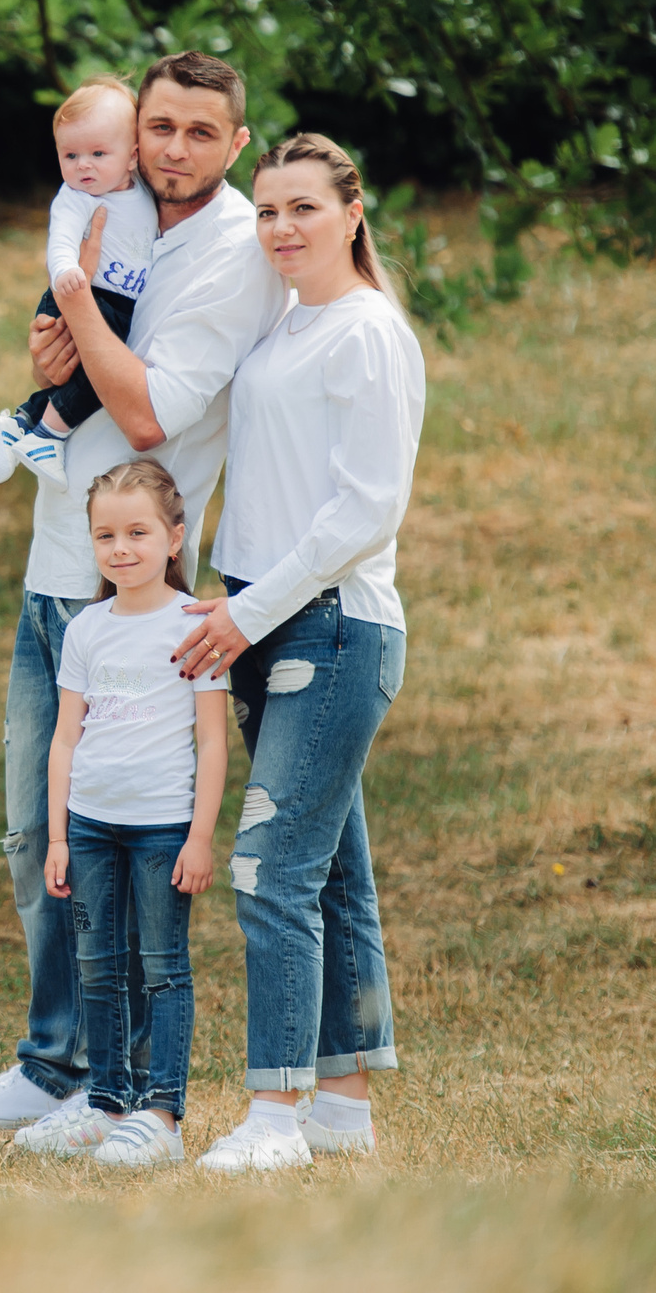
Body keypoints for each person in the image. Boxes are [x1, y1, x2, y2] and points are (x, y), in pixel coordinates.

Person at [0, 53, 286, 1133]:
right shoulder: (111, 202)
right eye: (158, 126)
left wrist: (75, 314)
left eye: (196, 132)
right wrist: (50, 363)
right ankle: (51, 1064)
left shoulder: (235, 253)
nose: (171, 148)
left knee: (123, 843)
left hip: (140, 593)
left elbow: (144, 414)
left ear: (233, 145)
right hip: (56, 569)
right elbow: (78, 371)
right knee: (32, 829)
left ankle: (116, 1082)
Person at [172, 133, 426, 1173]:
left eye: (302, 209)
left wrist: (249, 611)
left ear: (351, 213)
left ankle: (273, 1116)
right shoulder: (284, 329)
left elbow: (366, 511)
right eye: (267, 210)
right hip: (259, 619)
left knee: (269, 870)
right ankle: (342, 1105)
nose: (280, 228)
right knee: (328, 881)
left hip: (327, 628)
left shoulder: (366, 333)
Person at [13, 461, 228, 1167]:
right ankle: (106, 1105)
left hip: (164, 830)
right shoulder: (87, 630)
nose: (121, 548)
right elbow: (64, 738)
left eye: (137, 532)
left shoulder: (195, 624)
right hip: (92, 829)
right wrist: (57, 835)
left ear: (174, 537)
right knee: (98, 968)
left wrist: (200, 838)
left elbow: (212, 739)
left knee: (162, 969)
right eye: (105, 534)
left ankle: (161, 1114)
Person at [0, 77, 158, 488]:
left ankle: (20, 423)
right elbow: (60, 239)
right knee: (100, 375)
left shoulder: (143, 192)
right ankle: (49, 436)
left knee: (88, 374)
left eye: (98, 153)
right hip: (83, 292)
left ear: (132, 157)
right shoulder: (76, 197)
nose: (83, 165)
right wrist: (66, 272)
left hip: (117, 301)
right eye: (71, 154)